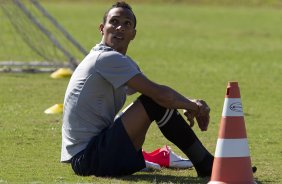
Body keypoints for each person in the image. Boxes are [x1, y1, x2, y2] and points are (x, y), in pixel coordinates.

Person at [61, 1, 214, 177]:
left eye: (127, 24)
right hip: (89, 159)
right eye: (114, 22)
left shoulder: (118, 61)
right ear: (102, 28)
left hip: (95, 154)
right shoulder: (106, 58)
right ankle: (206, 163)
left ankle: (205, 163)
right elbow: (159, 96)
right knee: (153, 101)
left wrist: (190, 103)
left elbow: (159, 95)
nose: (120, 27)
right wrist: (194, 106)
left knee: (154, 100)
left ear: (133, 34)